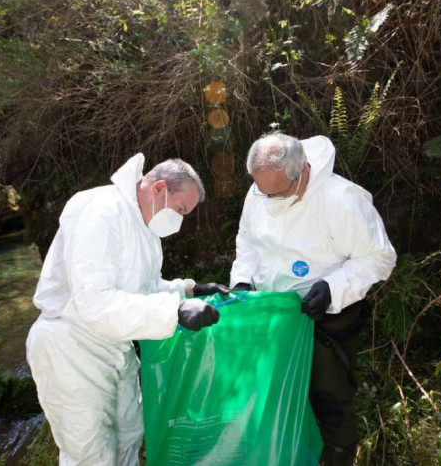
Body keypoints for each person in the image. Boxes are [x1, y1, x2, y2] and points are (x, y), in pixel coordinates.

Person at [26, 153, 229, 466]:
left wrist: (190, 289)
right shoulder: (100, 210)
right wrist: (174, 311)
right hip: (71, 347)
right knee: (90, 454)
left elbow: (143, 288)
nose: (180, 220)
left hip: (113, 346)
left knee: (129, 438)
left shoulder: (143, 226)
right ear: (159, 188)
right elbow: (93, 301)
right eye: (180, 209)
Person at [230, 133, 396, 465]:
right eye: (262, 191)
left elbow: (379, 258)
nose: (267, 198)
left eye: (276, 193)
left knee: (329, 398)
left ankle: (337, 455)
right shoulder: (260, 190)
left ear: (302, 171)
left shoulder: (342, 200)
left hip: (325, 319)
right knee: (272, 394)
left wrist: (333, 287)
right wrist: (243, 281)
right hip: (271, 317)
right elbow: (247, 240)